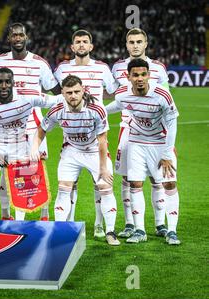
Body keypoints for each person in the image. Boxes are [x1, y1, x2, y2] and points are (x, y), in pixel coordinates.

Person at [31, 75, 120, 246]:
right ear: (63, 93)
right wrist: (34, 148)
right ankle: (60, 230)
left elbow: (103, 140)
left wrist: (103, 168)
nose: (73, 96)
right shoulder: (57, 110)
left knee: (105, 188)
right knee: (64, 189)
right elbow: (41, 129)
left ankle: (110, 231)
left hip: (94, 150)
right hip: (71, 151)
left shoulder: (96, 109)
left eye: (77, 92)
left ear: (83, 90)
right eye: (69, 92)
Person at [106, 58, 180, 245]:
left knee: (169, 183)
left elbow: (172, 124)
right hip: (137, 142)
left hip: (159, 142)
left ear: (149, 75)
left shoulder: (162, 94)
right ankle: (140, 230)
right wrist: (96, 110)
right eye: (136, 75)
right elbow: (114, 106)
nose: (140, 78)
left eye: (143, 74)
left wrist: (166, 154)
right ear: (128, 76)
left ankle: (171, 230)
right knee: (135, 184)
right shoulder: (123, 95)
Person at [53, 29, 118, 238]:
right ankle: (69, 225)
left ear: (91, 46)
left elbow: (114, 90)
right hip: (70, 135)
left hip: (95, 132)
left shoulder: (102, 68)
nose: (81, 45)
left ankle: (100, 224)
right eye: (78, 42)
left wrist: (103, 112)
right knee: (69, 184)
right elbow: (55, 92)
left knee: (100, 183)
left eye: (85, 42)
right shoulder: (62, 69)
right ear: (72, 47)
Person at [0, 22, 61, 221]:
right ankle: (7, 215)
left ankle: (44, 213)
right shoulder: (1, 61)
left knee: (36, 170)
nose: (17, 38)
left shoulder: (39, 63)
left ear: (26, 37)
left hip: (33, 125)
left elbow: (56, 91)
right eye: (13, 35)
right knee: (7, 169)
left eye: (20, 35)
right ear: (9, 38)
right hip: (7, 125)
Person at [0, 68, 59, 220]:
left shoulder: (27, 96)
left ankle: (19, 223)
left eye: (7, 82)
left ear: (13, 83)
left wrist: (77, 96)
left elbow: (55, 100)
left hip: (19, 145)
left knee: (21, 184)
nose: (4, 85)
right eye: (0, 82)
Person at [111, 28, 170, 239]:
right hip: (127, 128)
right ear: (126, 44)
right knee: (128, 178)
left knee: (157, 179)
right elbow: (112, 94)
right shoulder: (118, 67)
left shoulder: (158, 68)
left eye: (139, 41)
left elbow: (166, 101)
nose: (135, 45)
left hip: (153, 131)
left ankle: (160, 224)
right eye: (131, 42)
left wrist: (168, 142)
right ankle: (130, 223)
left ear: (146, 43)